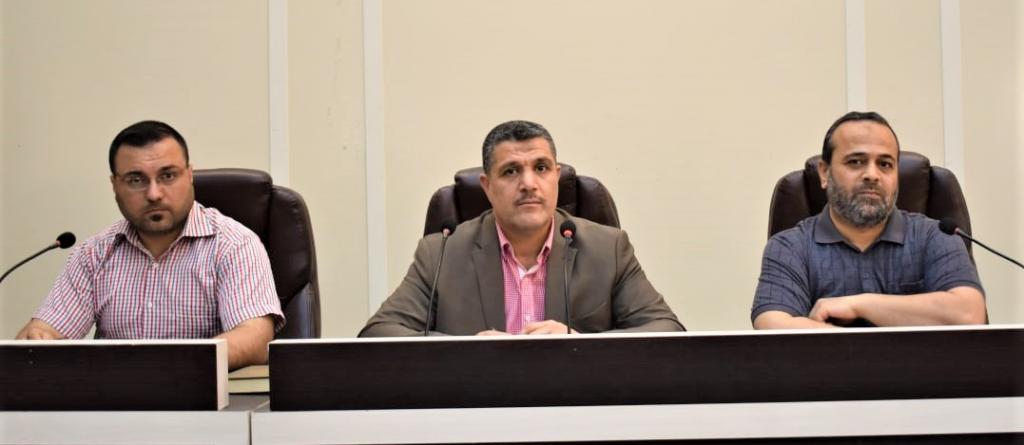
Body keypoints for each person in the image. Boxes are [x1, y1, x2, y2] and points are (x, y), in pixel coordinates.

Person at [360, 120, 683, 336]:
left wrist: (578, 341)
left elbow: (666, 330)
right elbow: (380, 333)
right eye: (511, 171)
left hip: (575, 410)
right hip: (479, 409)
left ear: (556, 176)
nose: (529, 183)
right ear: (487, 186)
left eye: (541, 168)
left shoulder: (608, 249)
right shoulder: (441, 253)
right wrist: (465, 350)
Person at [15, 120, 284, 369]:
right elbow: (46, 333)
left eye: (168, 176)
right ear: (115, 185)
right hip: (112, 400)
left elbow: (255, 338)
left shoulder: (234, 245)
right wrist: (37, 339)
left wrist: (168, 367)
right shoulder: (93, 254)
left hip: (203, 399)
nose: (154, 194)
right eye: (136, 180)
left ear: (190, 175)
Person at [751, 111, 986, 329]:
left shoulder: (937, 236)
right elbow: (772, 324)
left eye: (885, 164)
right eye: (856, 162)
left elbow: (969, 315)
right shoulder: (790, 246)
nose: (872, 175)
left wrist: (858, 305)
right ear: (824, 172)